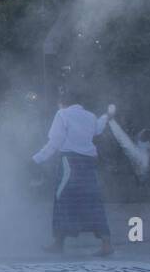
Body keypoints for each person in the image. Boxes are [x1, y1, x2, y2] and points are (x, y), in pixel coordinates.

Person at [33, 89, 113, 256]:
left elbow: (55, 142)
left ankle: (58, 243)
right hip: (88, 163)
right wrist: (106, 116)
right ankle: (106, 244)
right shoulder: (90, 116)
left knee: (63, 201)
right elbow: (98, 129)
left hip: (69, 162)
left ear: (63, 101)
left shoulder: (62, 114)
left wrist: (36, 159)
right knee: (93, 201)